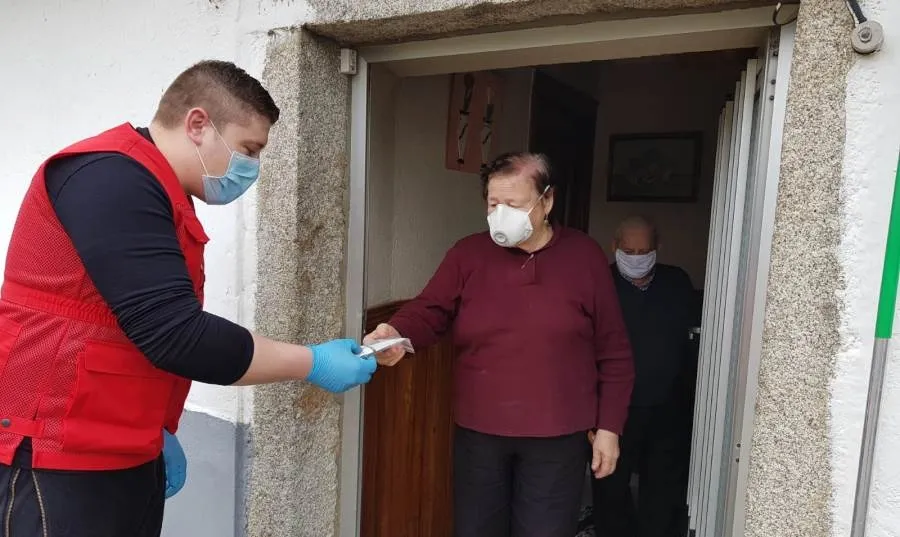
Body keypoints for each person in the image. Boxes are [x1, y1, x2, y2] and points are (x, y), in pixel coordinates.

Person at [0, 60, 377, 537]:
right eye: (249, 150)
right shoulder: (111, 178)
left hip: (120, 444)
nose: (252, 169)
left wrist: (150, 427)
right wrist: (311, 362)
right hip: (55, 454)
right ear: (198, 124)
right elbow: (177, 336)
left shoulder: (159, 190)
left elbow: (131, 326)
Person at [365, 152, 635, 537]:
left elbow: (615, 351)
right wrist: (393, 332)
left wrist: (609, 427)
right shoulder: (468, 254)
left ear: (547, 201)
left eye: (515, 204)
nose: (501, 214)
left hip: (558, 437)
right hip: (480, 433)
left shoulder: (584, 256)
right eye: (494, 204)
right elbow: (430, 310)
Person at [592, 216, 698, 537]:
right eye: (628, 250)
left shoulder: (676, 282)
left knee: (663, 485)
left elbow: (692, 339)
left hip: (667, 404)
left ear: (657, 249)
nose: (636, 257)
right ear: (614, 247)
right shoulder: (600, 283)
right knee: (610, 485)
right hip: (614, 409)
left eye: (643, 250)